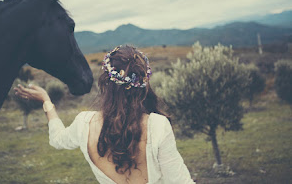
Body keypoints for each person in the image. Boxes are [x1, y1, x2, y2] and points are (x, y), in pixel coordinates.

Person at [14, 45, 195, 184]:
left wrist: (47, 101)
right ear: (144, 83)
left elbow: (57, 139)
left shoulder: (84, 123)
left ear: (104, 83)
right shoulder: (157, 126)